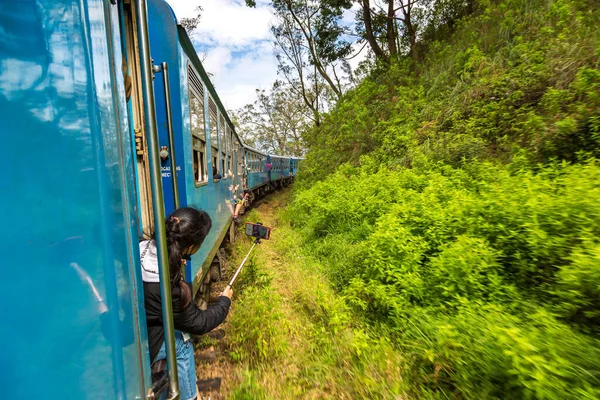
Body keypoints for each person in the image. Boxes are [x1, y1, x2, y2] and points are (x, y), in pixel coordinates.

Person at [139, 207, 232, 400]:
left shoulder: (142, 245)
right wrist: (224, 301)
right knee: (182, 343)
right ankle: (190, 397)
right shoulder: (167, 288)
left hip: (136, 322)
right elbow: (199, 323)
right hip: (144, 339)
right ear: (190, 247)